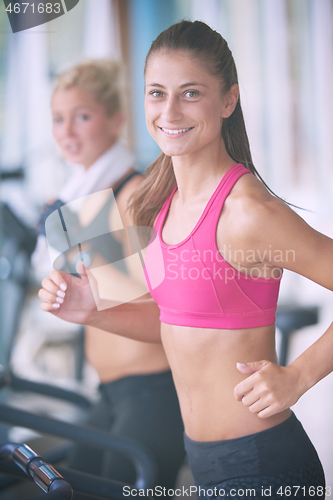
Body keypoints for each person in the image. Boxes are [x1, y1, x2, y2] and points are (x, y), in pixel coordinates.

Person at [38, 21, 333, 499]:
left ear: (228, 101)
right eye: (157, 93)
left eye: (190, 93)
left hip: (260, 464)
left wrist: (298, 377)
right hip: (204, 461)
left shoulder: (246, 212)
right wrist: (91, 310)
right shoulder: (161, 200)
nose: (169, 110)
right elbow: (173, 324)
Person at [35, 60, 185, 490]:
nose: (68, 132)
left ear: (117, 120)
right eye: (58, 119)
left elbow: (165, 308)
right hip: (110, 393)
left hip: (152, 393)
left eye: (82, 117)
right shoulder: (80, 199)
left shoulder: (137, 194)